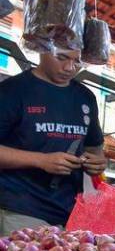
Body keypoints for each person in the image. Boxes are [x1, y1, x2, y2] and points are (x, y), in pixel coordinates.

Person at [0, 49, 106, 234]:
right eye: (62, 57)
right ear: (42, 48)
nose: (70, 67)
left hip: (71, 214)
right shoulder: (13, 91)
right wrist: (40, 160)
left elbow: (95, 149)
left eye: (78, 61)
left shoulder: (86, 98)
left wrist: (97, 163)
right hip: (20, 209)